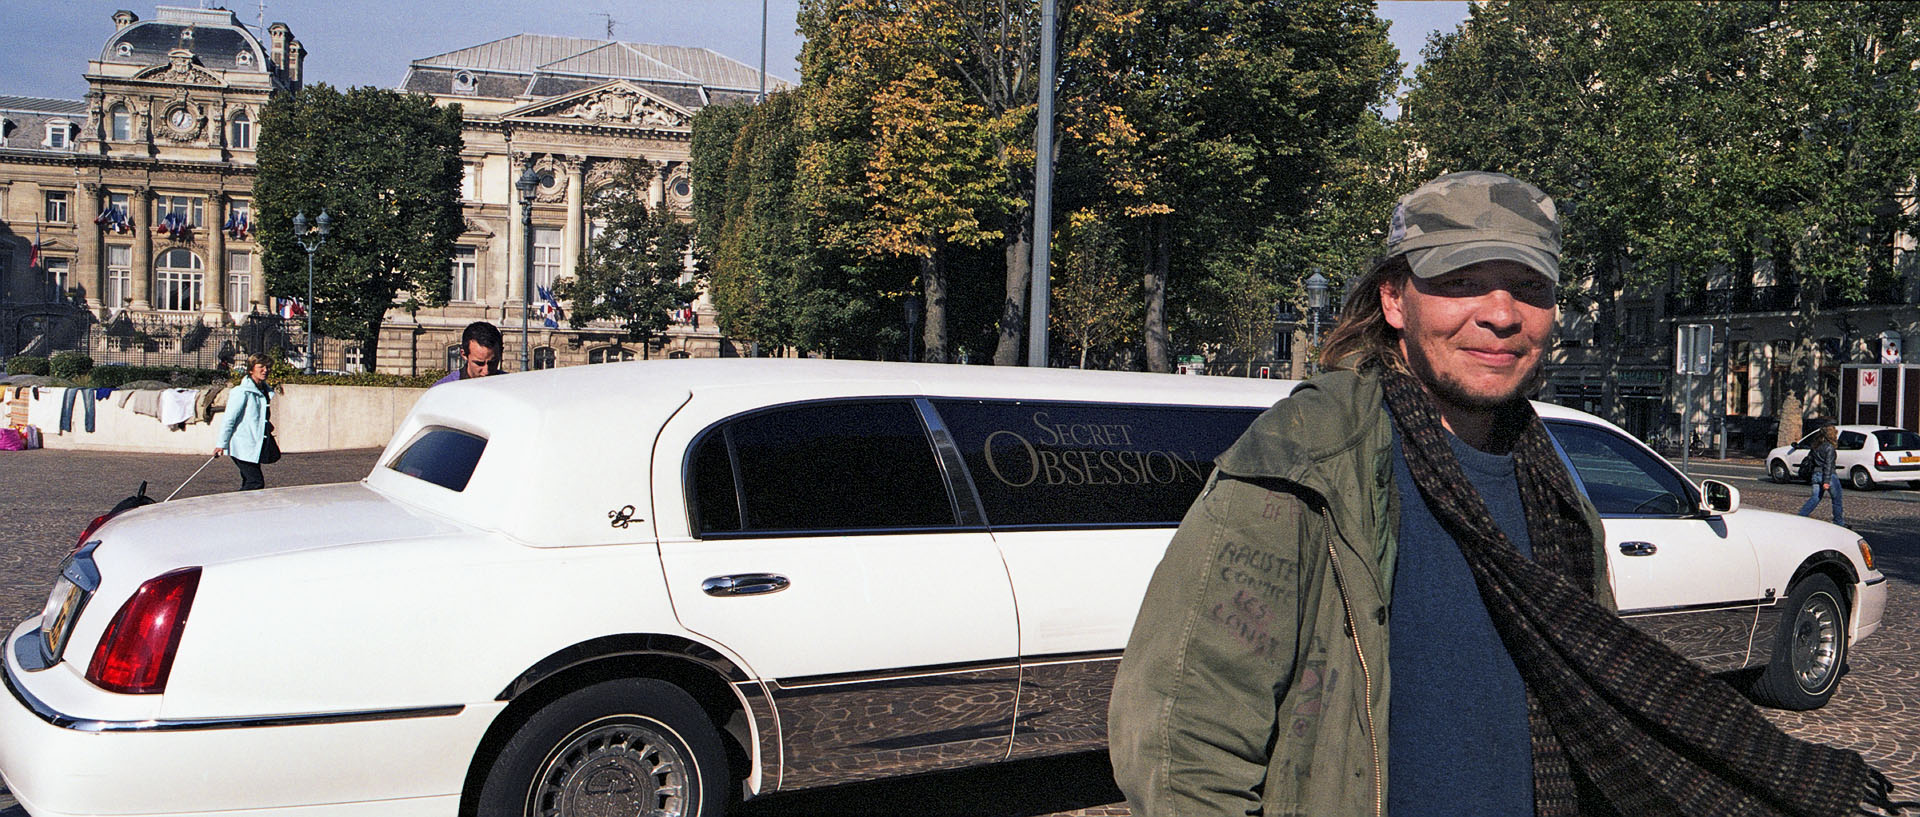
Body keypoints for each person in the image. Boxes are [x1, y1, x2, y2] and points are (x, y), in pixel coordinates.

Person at [1108, 171, 1908, 817]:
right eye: (1462, 281)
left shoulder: (1553, 482)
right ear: (1395, 300)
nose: (1499, 314)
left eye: (1527, 286)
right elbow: (1184, 748)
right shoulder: (1303, 467)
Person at [214, 353, 274, 491]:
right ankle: (242, 509)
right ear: (251, 369)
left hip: (254, 444)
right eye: (261, 367)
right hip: (243, 445)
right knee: (255, 482)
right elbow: (230, 419)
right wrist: (221, 444)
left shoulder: (263, 390)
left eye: (267, 367)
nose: (265, 370)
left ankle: (243, 508)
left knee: (249, 480)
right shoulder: (242, 392)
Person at [1797, 422, 1843, 525]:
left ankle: (1801, 515)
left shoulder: (1816, 446)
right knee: (1837, 500)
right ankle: (1838, 522)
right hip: (1828, 476)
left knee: (1815, 498)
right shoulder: (1829, 448)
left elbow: (1812, 460)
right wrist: (1826, 481)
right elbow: (1828, 465)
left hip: (1816, 474)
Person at [435, 321, 504, 386]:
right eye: (479, 363)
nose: (486, 371)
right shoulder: (442, 390)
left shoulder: (511, 386)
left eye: (493, 363)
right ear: (463, 354)